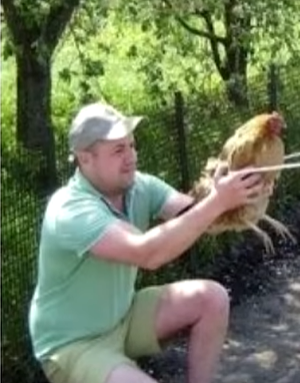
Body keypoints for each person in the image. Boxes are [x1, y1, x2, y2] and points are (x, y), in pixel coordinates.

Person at [28, 102, 264, 383]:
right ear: (85, 158)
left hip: (122, 318)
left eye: (131, 145)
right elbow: (148, 254)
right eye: (118, 150)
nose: (131, 157)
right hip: (73, 345)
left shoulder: (139, 185)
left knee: (213, 299)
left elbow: (198, 216)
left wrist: (243, 193)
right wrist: (218, 202)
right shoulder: (70, 208)